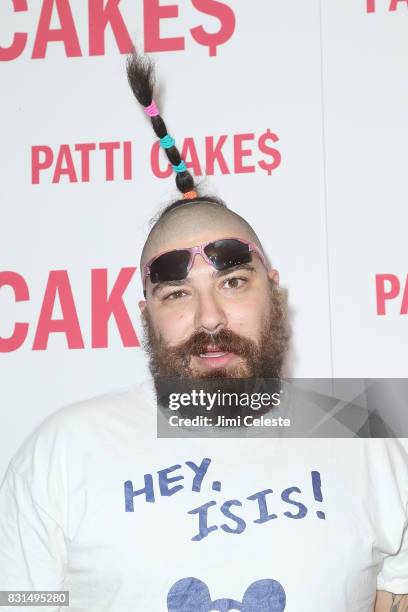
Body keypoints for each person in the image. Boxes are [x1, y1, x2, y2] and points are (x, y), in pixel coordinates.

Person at [0, 51, 407, 612]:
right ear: (146, 313)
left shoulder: (366, 434)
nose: (209, 318)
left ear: (275, 292)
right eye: (176, 294)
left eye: (234, 283)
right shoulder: (62, 453)